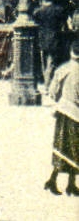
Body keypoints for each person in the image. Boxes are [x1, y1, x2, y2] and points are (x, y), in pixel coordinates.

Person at [44, 43, 79, 196]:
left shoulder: (63, 68)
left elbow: (52, 92)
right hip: (76, 114)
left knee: (61, 146)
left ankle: (54, 180)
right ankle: (69, 184)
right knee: (75, 149)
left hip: (63, 111)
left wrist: (61, 99)